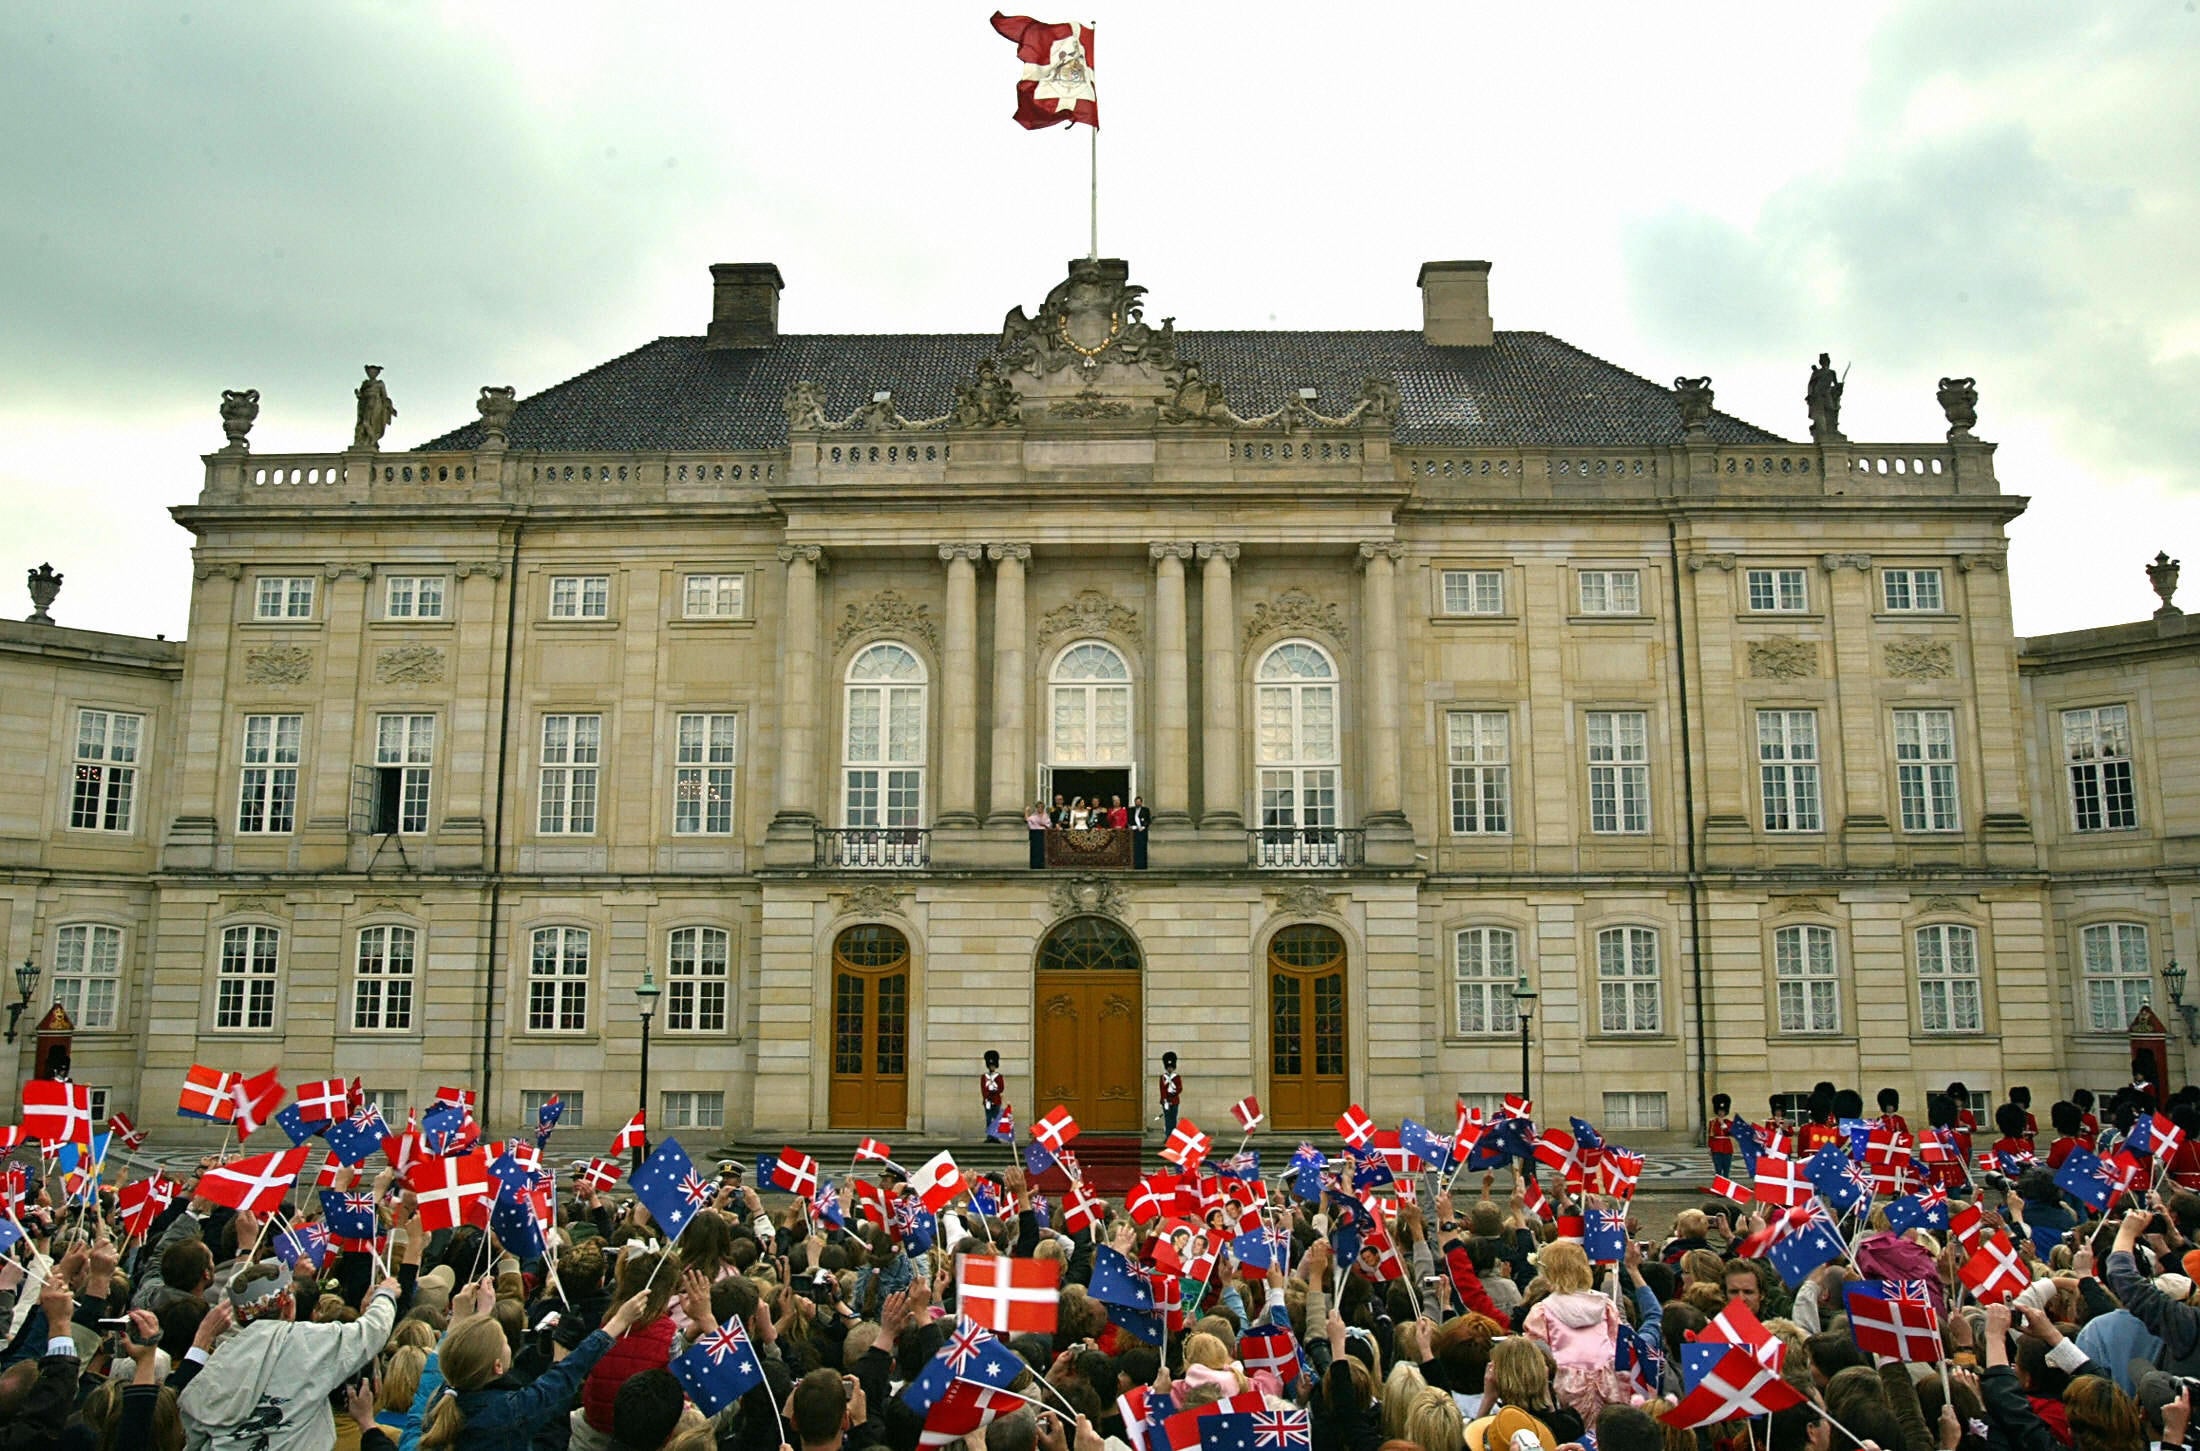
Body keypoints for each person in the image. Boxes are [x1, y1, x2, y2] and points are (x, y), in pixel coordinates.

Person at [177, 1259, 400, 1451]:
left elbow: (193, 1428)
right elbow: (373, 1330)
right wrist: (385, 1294)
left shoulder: (219, 1360)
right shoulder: (311, 1341)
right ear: (289, 1307)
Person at [1707, 1094, 1736, 1181]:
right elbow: (1711, 1136)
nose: (1721, 1113)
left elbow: (1731, 1133)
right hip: (1716, 1147)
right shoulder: (1712, 1122)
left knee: (1726, 1170)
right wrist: (1710, 1148)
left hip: (1727, 1147)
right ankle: (1719, 1189)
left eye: (1723, 1111)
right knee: (1718, 1169)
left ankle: (1725, 1187)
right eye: (1719, 1111)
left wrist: (1723, 1124)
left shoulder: (1729, 1122)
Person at [981, 1052, 1007, 1139]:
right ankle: (989, 1136)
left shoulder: (999, 1077)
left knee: (996, 1119)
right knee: (988, 1119)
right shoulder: (984, 1077)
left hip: (996, 1100)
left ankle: (995, 1137)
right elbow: (983, 1089)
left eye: (993, 1066)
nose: (992, 1067)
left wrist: (994, 1090)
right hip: (988, 1101)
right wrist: (987, 1097)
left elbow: (1001, 1088)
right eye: (990, 1066)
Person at [1158, 1052, 1182, 1138]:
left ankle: (1173, 1137)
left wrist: (1171, 1095)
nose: (1170, 1069)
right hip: (1166, 1102)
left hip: (1174, 1101)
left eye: (1171, 1067)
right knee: (1167, 1120)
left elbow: (1179, 1089)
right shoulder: (1163, 1077)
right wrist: (1165, 1100)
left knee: (1173, 1120)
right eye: (1168, 1068)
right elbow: (1162, 1090)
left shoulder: (1177, 1077)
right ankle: (1168, 1136)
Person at [1025, 801, 1051, 870]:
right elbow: (1028, 820)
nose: (1040, 808)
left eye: (1041, 807)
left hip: (1043, 833)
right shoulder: (1034, 816)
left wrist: (1043, 825)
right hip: (1035, 833)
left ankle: (1042, 864)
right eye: (1038, 807)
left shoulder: (1046, 816)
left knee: (1042, 849)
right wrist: (1026, 811)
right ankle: (1034, 865)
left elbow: (1048, 825)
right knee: (1035, 849)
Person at [1128, 795, 1151, 870]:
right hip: (1134, 832)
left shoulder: (1145, 810)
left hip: (1142, 832)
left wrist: (1143, 827)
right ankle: (1135, 864)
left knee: (1142, 848)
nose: (1137, 803)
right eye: (1136, 802)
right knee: (1134, 848)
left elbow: (1148, 820)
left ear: (1141, 802)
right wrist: (1132, 826)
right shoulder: (1131, 810)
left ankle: (1142, 865)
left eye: (1139, 802)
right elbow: (1129, 820)